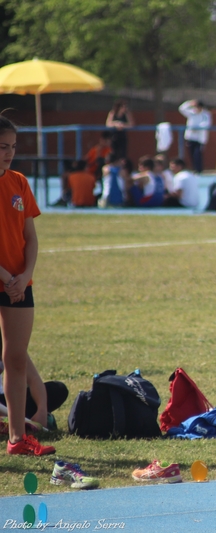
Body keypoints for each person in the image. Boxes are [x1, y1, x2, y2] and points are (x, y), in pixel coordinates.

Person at [0, 113, 55, 456]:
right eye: (2, 147)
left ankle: (17, 439)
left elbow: (30, 237)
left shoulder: (19, 181)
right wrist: (6, 277)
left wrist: (23, 275)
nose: (9, 153)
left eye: (13, 147)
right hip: (7, 280)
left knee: (16, 358)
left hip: (19, 283)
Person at [179, 99, 212, 174]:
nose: (197, 109)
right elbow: (181, 108)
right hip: (190, 137)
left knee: (198, 154)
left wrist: (196, 128)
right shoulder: (191, 112)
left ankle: (199, 170)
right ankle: (194, 169)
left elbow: (206, 124)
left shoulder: (206, 114)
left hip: (200, 139)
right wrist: (189, 103)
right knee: (191, 154)